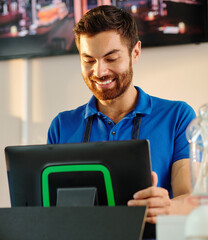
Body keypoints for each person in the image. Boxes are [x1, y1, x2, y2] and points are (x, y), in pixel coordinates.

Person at [47, 5, 197, 224]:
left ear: (135, 52)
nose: (99, 72)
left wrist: (168, 207)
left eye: (111, 58)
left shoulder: (178, 116)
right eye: (88, 60)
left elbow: (191, 197)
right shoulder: (61, 126)